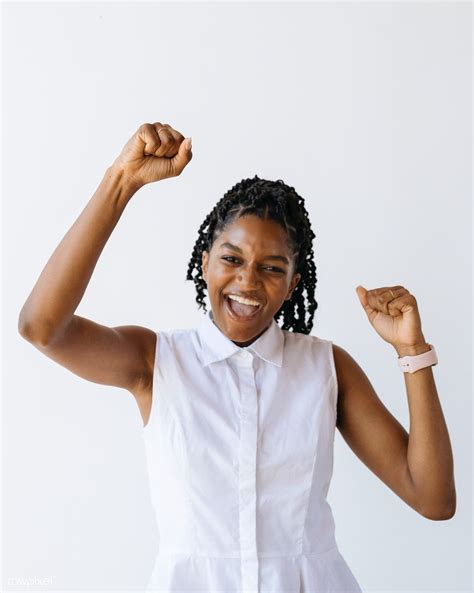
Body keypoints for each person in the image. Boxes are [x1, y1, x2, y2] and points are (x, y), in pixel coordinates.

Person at [18, 122, 456, 593]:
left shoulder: (326, 369)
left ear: (292, 285)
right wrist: (121, 181)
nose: (248, 282)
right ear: (204, 260)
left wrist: (413, 352)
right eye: (231, 259)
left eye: (271, 268)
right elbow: (41, 328)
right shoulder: (155, 362)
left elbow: (432, 498)